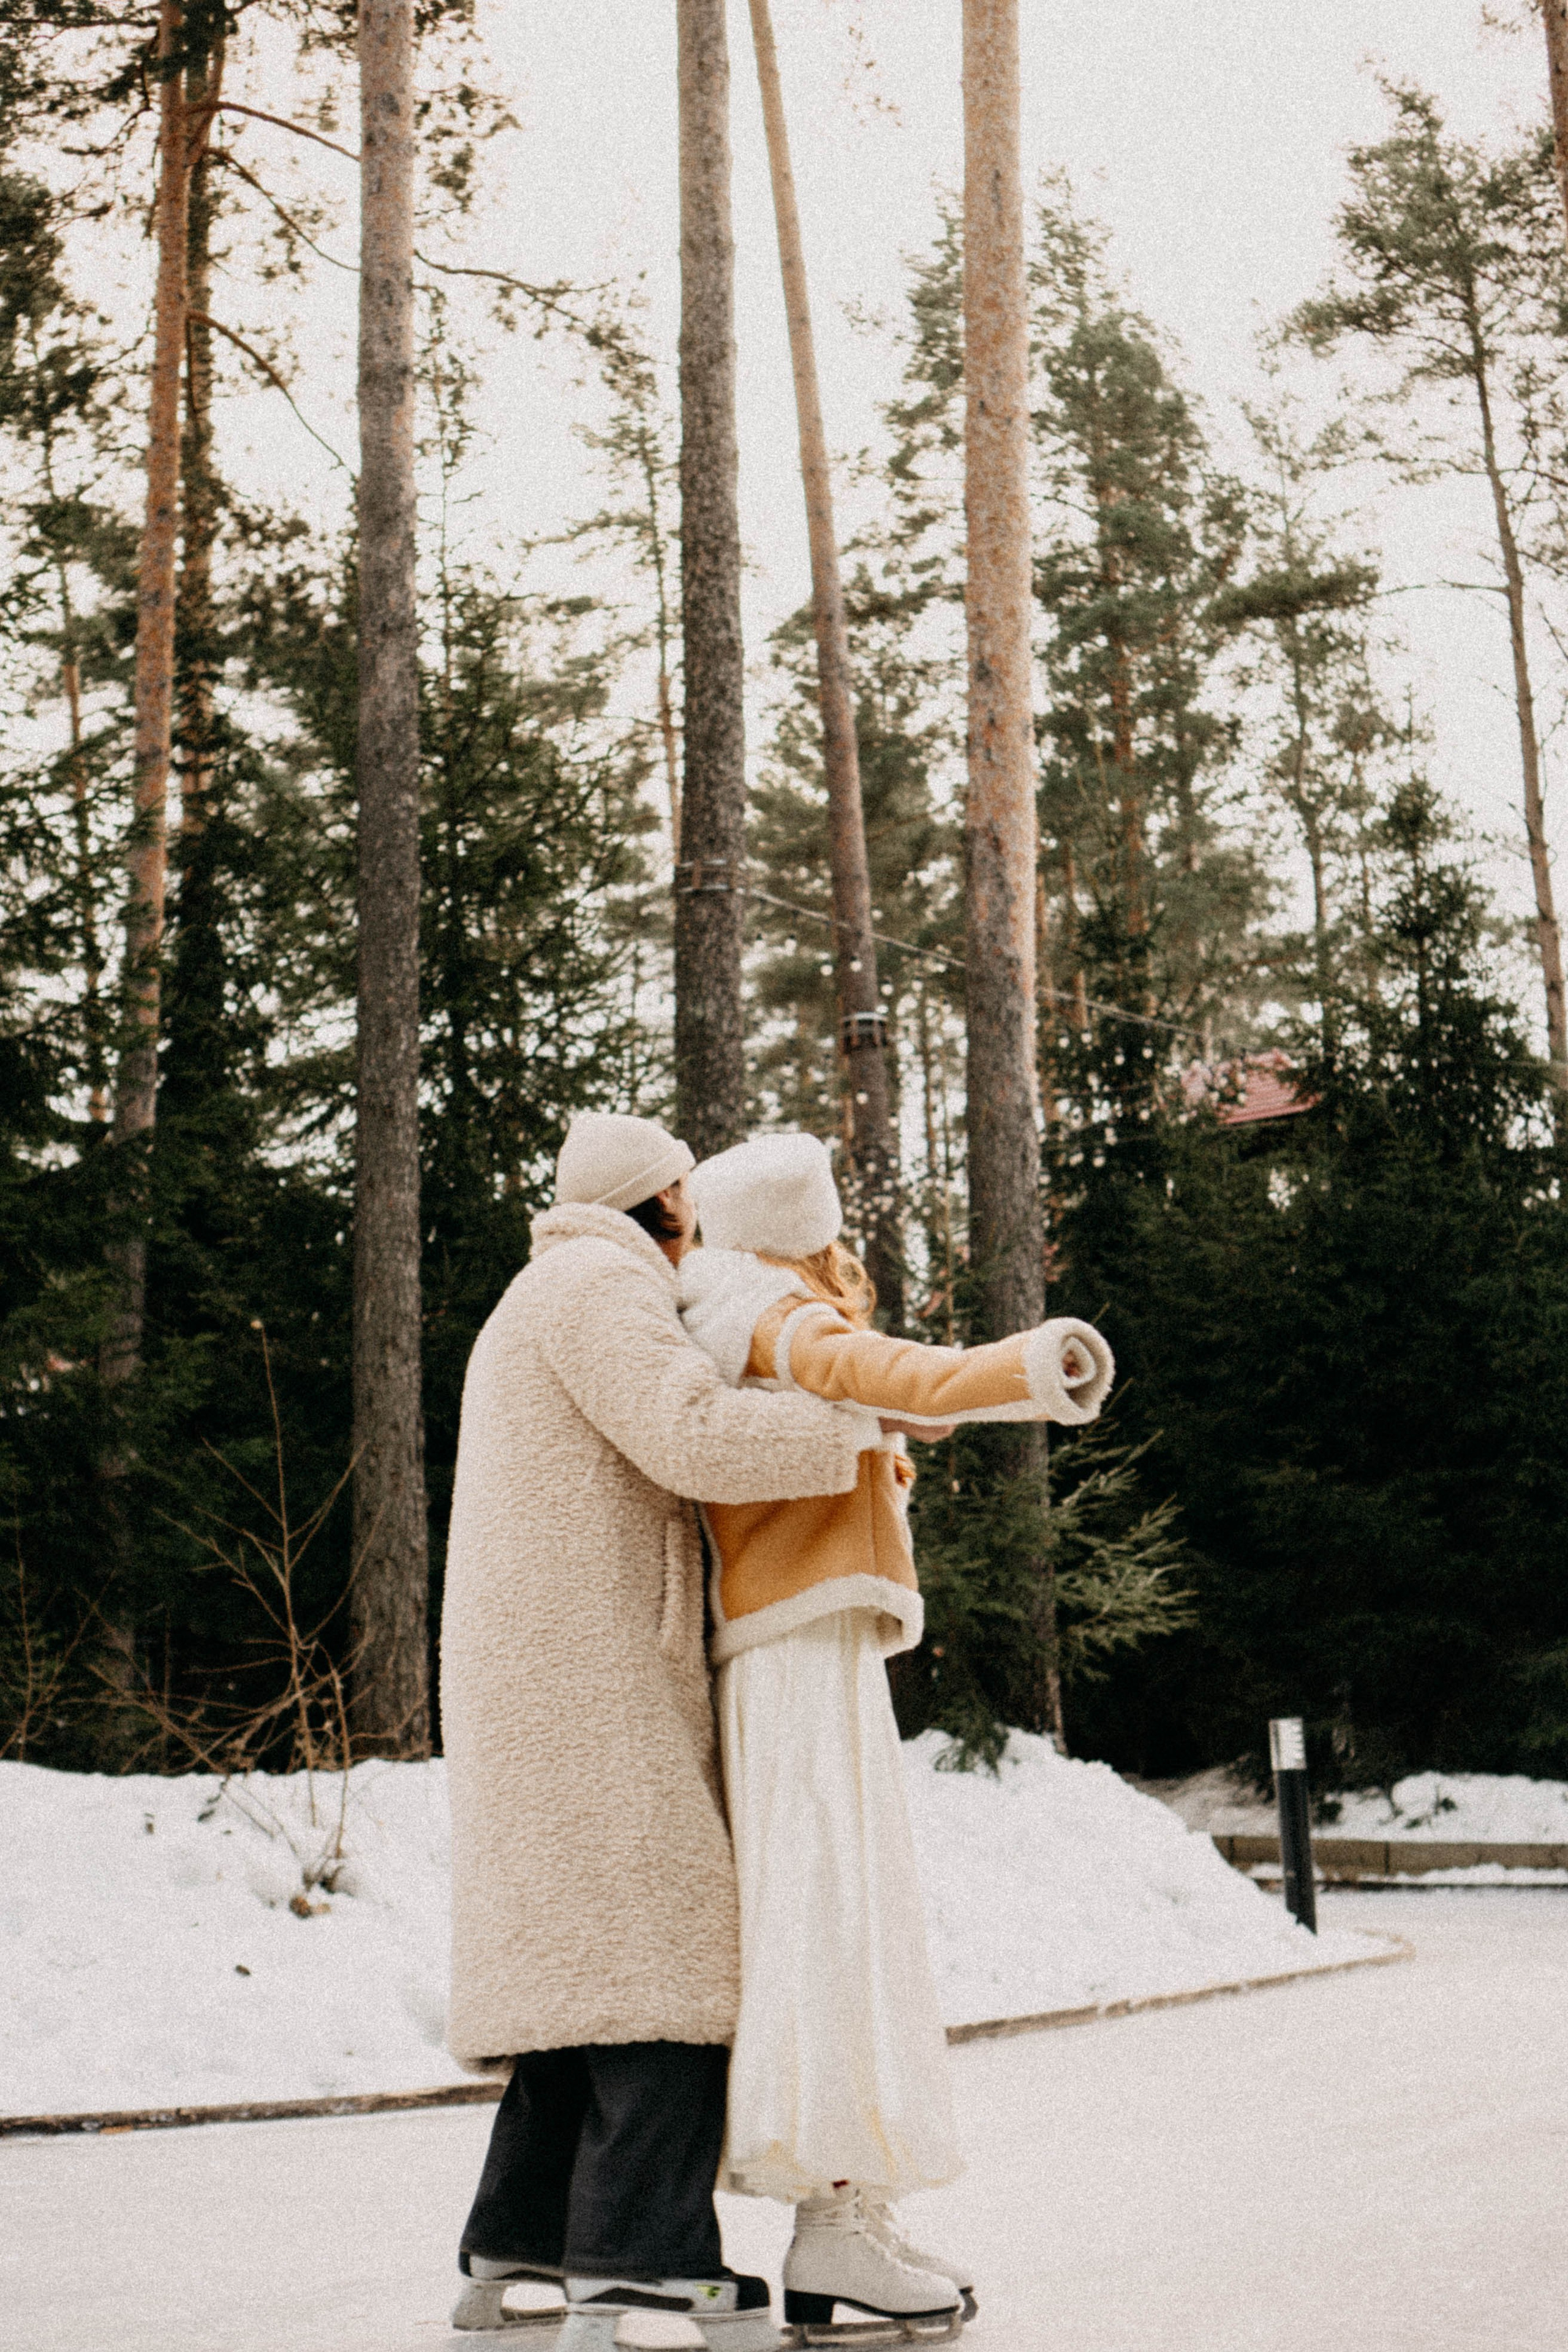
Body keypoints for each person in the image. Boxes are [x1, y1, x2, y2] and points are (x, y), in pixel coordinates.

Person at [441, 1112, 880, 2352]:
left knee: (577, 1975)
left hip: (549, 1674)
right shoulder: (596, 1285)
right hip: (584, 1675)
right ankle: (644, 2261)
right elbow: (688, 1434)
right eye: (689, 1199)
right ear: (667, 1204)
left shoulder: (550, 1287)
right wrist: (852, 1431)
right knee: (665, 1961)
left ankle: (519, 2238)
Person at [677, 1131, 1114, 2334]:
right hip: (793, 1649)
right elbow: (901, 1381)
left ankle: (851, 2216)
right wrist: (1034, 1364)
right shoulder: (767, 1312)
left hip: (803, 1644)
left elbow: (891, 1410)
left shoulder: (748, 1303)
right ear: (793, 1226)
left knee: (845, 1919)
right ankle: (827, 2227)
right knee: (825, 1924)